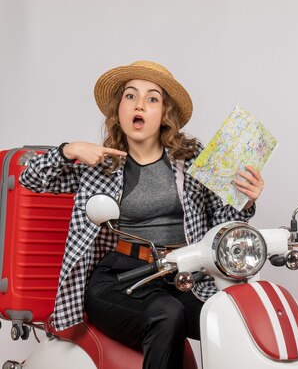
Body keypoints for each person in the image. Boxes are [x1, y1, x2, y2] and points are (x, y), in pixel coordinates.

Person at [19, 60, 264, 368]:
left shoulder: (189, 160)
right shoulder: (100, 166)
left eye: (152, 99)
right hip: (121, 278)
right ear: (119, 109)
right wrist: (69, 149)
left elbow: (221, 221)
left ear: (164, 114)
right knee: (167, 314)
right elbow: (31, 178)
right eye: (130, 96)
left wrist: (245, 199)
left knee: (235, 315)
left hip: (185, 275)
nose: (140, 105)